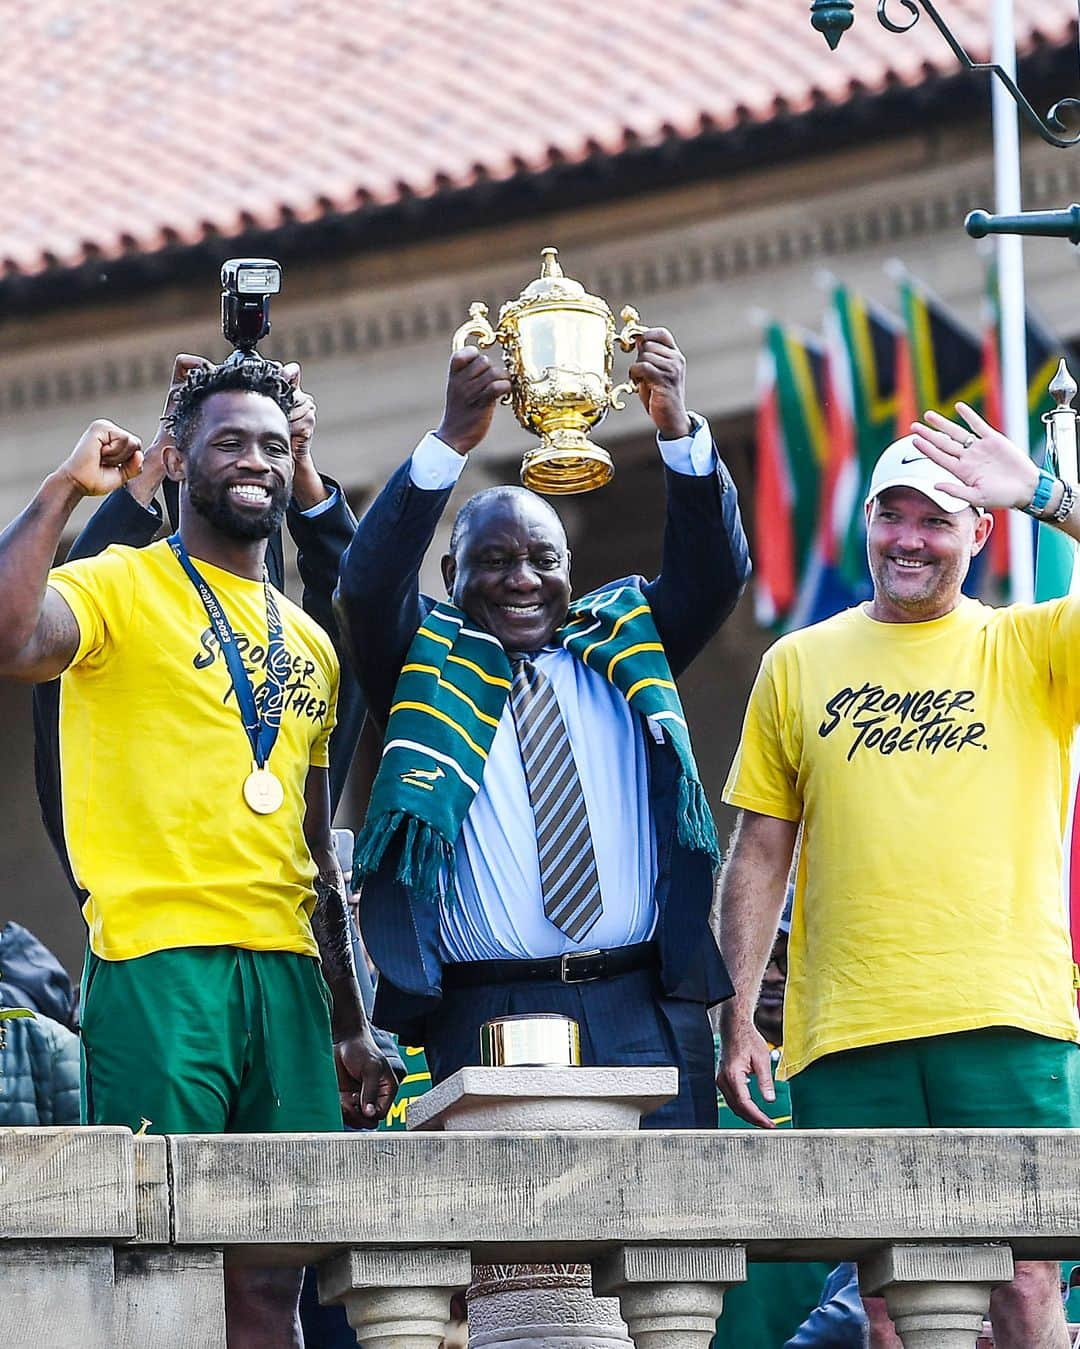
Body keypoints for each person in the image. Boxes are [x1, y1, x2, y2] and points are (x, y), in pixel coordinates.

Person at [0, 358, 396, 1349]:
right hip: (159, 964)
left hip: (289, 984)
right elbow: (10, 638)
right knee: (164, 1274)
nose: (255, 460)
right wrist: (64, 488)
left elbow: (317, 854)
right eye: (229, 440)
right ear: (177, 457)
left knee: (272, 1286)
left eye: (274, 442)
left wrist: (350, 1023)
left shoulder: (312, 642)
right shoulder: (117, 584)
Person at [717, 404, 1080, 1349]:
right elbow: (761, 848)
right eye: (893, 515)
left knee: (1028, 1276)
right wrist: (740, 1012)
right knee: (883, 1292)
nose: (908, 539)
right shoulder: (797, 662)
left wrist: (1045, 493)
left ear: (980, 529)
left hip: (1007, 1014)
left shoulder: (1033, 647)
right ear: (865, 521)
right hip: (848, 1026)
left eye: (936, 518)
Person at [336, 329, 750, 1126]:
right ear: (452, 575)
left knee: (673, 1244)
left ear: (568, 569)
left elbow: (715, 573)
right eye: (494, 561)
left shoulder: (622, 642)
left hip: (641, 1005)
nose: (522, 579)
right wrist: (453, 439)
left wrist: (676, 431)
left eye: (542, 559)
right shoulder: (424, 661)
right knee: (520, 1253)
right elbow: (367, 582)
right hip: (486, 1009)